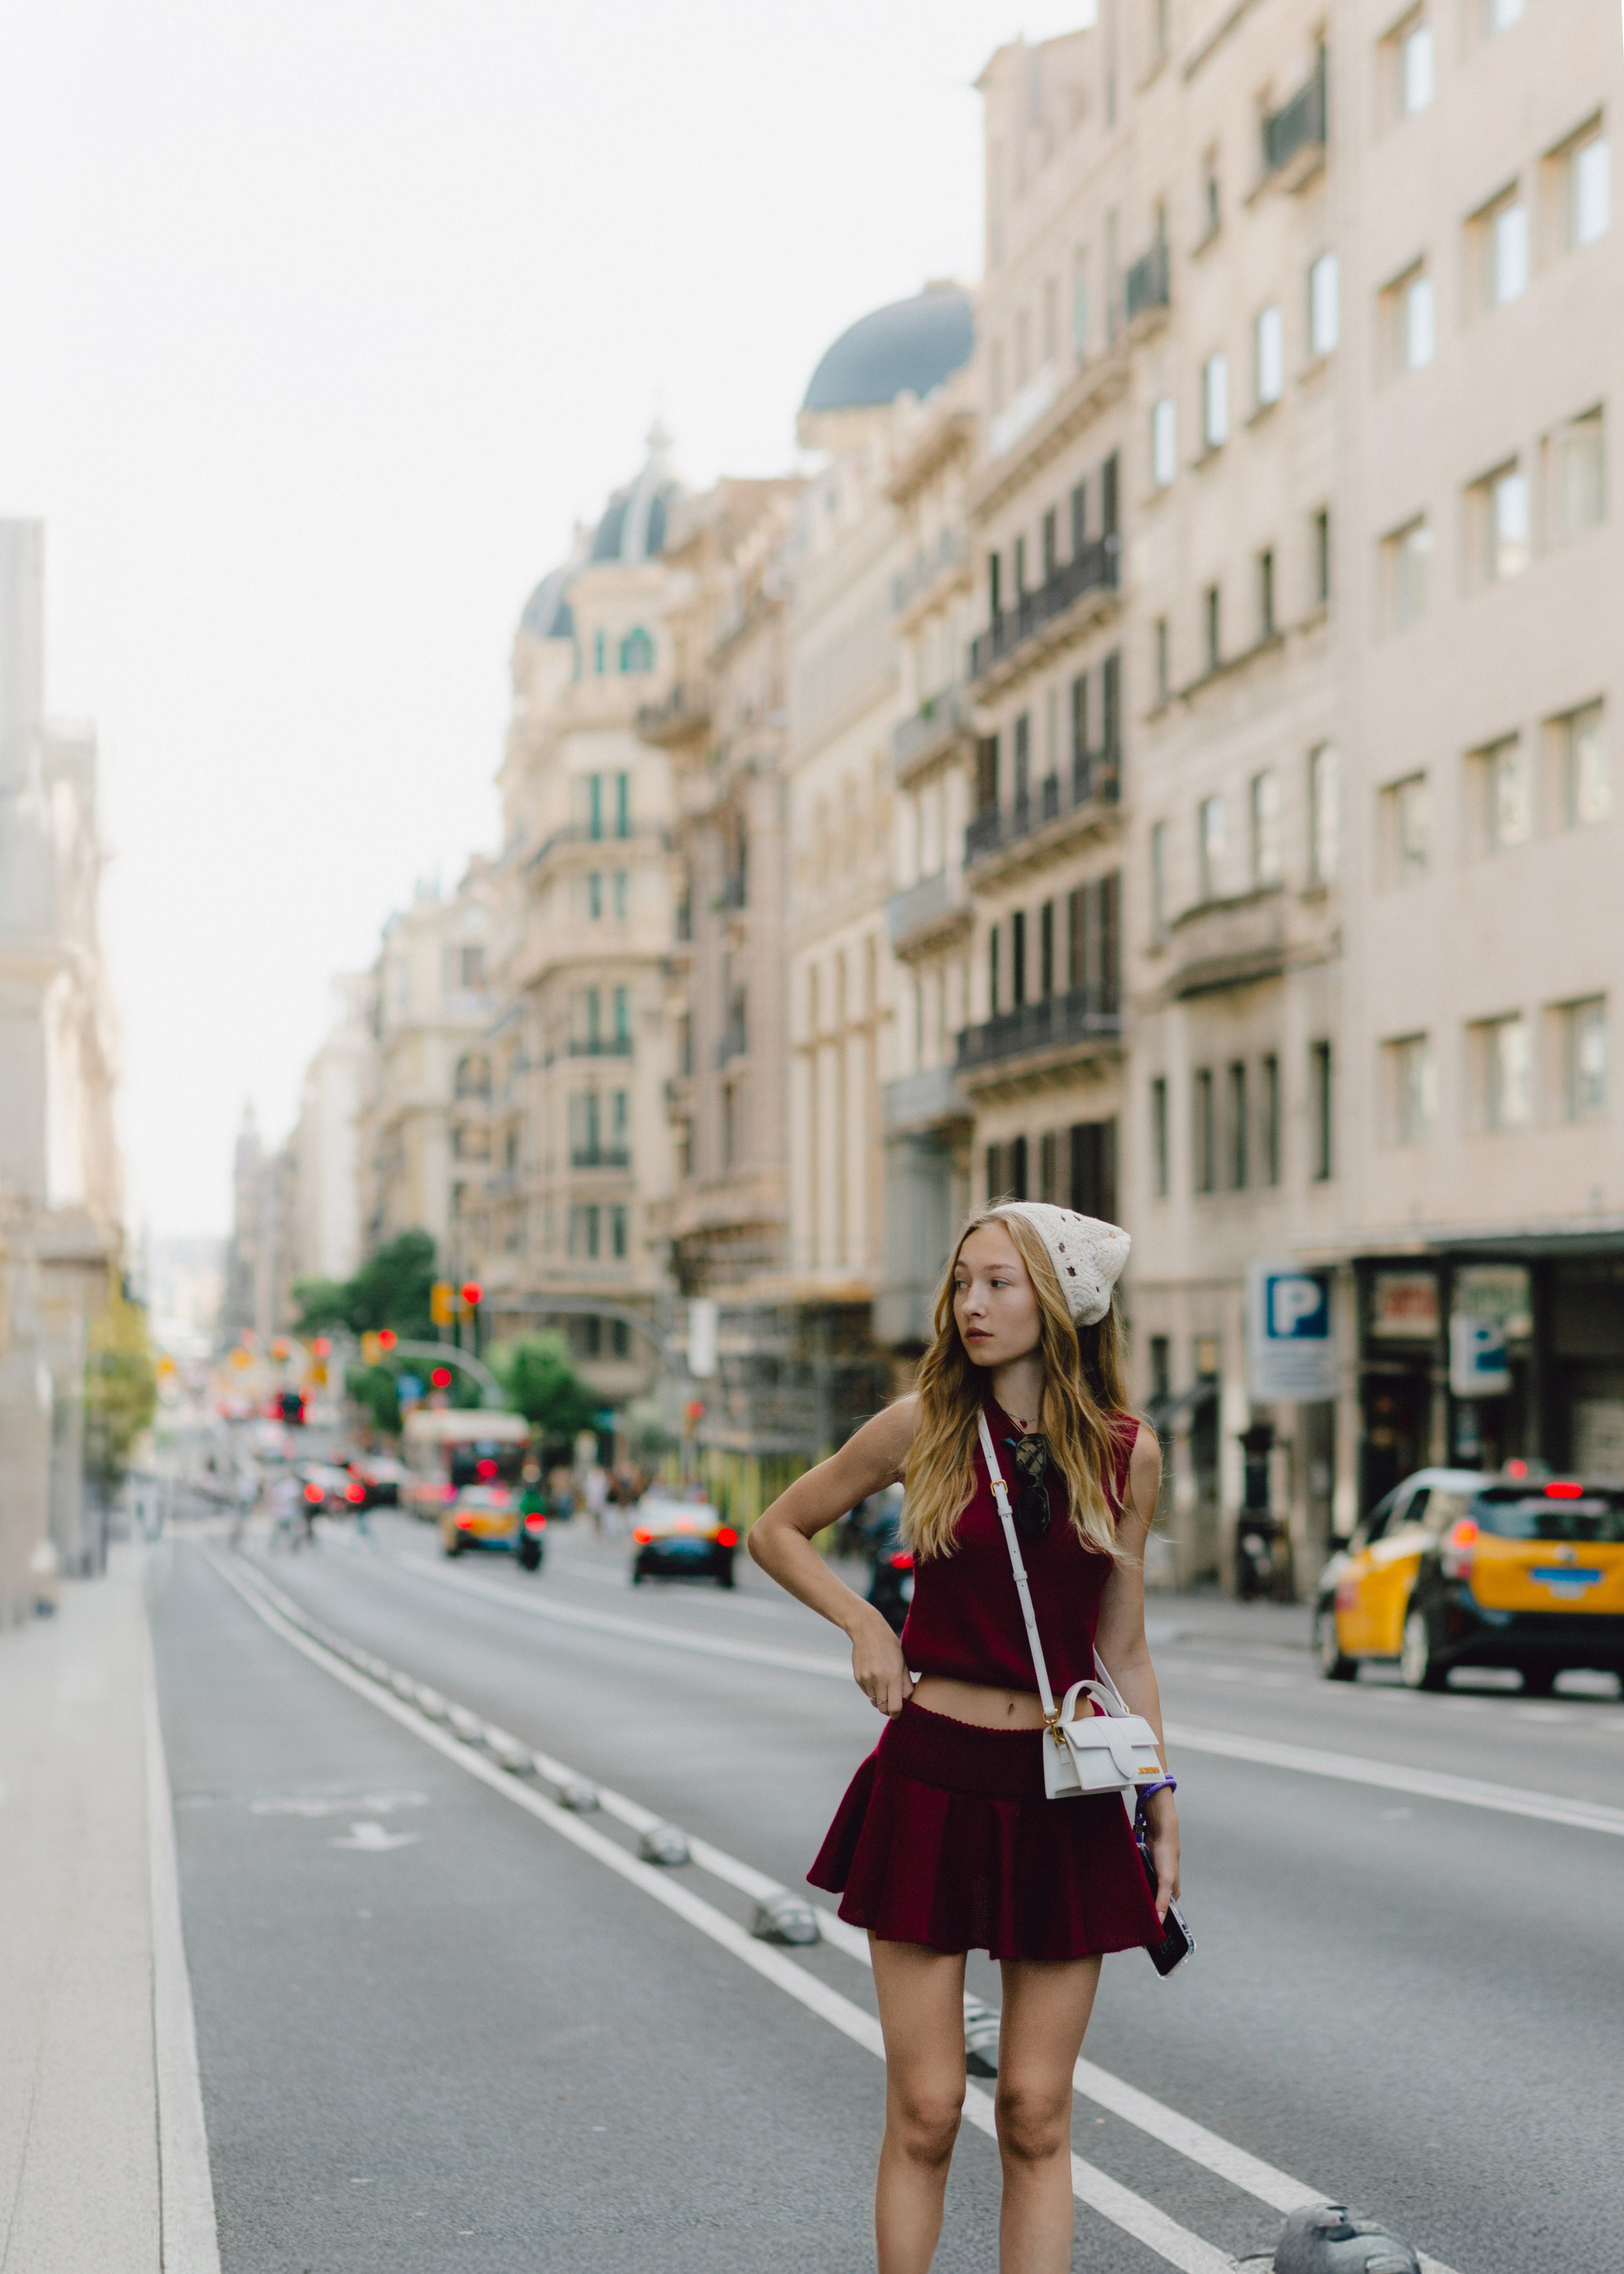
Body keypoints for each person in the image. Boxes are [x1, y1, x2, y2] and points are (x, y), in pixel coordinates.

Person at [749, 1203, 1179, 2274]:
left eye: (1000, 1284)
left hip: (1066, 1791)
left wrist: (1159, 1794)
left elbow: (1121, 1649)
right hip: (934, 1777)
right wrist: (867, 1625)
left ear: (1063, 1304)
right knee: (930, 2108)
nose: (972, 1306)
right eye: (963, 1283)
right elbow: (777, 1530)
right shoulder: (921, 1427)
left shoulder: (1130, 1454)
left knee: (1036, 2110)